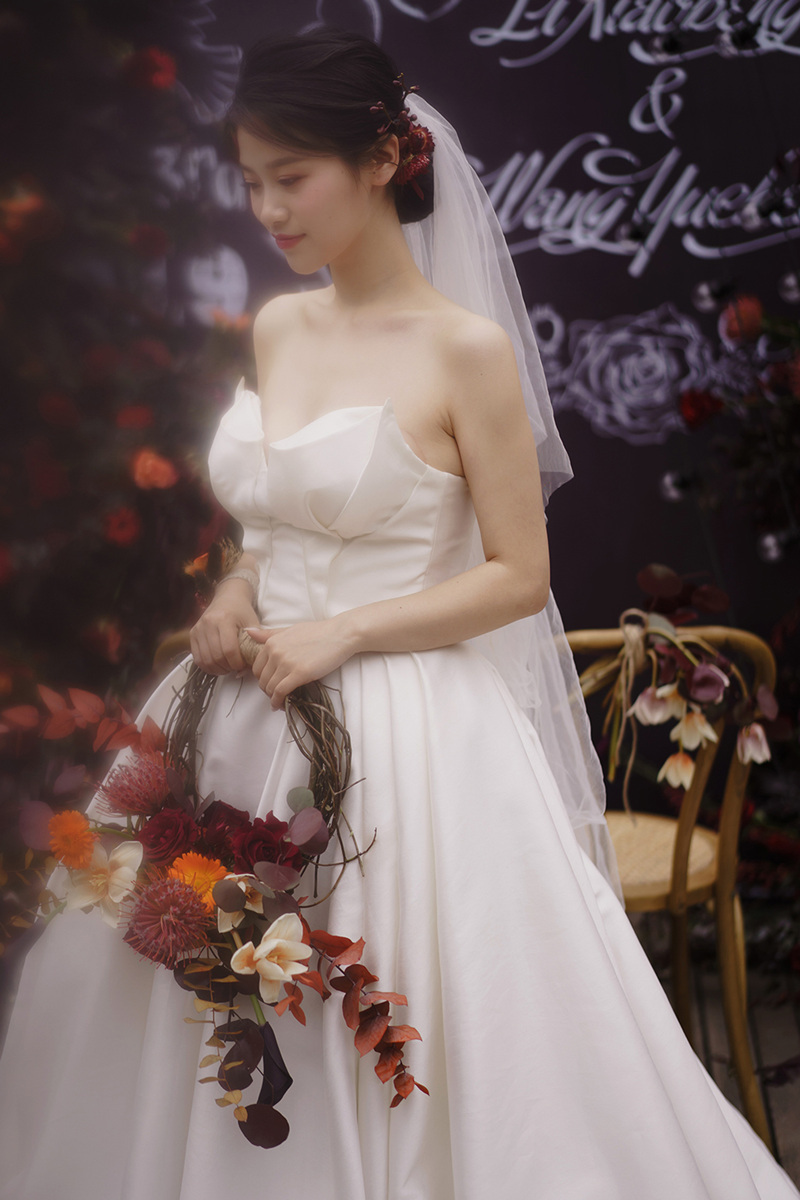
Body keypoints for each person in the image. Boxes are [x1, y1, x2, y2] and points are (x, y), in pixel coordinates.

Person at [0, 28, 798, 1200]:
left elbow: (517, 575)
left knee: (393, 995)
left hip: (405, 730)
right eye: (250, 180)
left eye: (291, 177)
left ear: (381, 159)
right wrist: (234, 589)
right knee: (189, 971)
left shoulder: (465, 351)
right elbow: (269, 524)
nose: (267, 209)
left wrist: (346, 632)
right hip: (238, 712)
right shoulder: (280, 325)